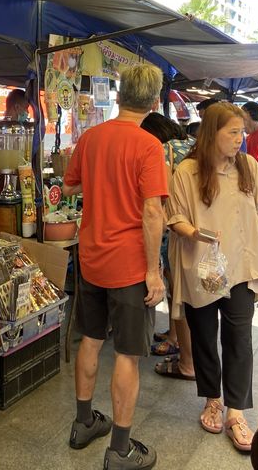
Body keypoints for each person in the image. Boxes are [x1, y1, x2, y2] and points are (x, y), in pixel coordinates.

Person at [63, 64, 167, 470]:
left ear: (119, 96)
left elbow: (69, 185)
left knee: (90, 339)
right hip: (128, 266)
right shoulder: (148, 146)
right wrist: (154, 272)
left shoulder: (90, 138)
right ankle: (120, 450)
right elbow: (152, 212)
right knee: (127, 353)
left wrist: (100, 181)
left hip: (90, 259)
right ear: (155, 102)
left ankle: (83, 423)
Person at [167, 103, 258, 453]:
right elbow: (175, 218)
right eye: (233, 132)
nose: (240, 139)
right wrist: (197, 234)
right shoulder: (187, 171)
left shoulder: (249, 167)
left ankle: (236, 411)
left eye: (242, 132)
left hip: (242, 268)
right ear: (212, 133)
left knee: (239, 338)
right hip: (203, 267)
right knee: (204, 335)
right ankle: (212, 399)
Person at [140, 113, 196, 381]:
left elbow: (158, 199)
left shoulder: (161, 151)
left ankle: (186, 356)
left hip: (173, 226)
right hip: (195, 225)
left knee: (177, 290)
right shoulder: (192, 144)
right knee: (182, 290)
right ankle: (175, 338)